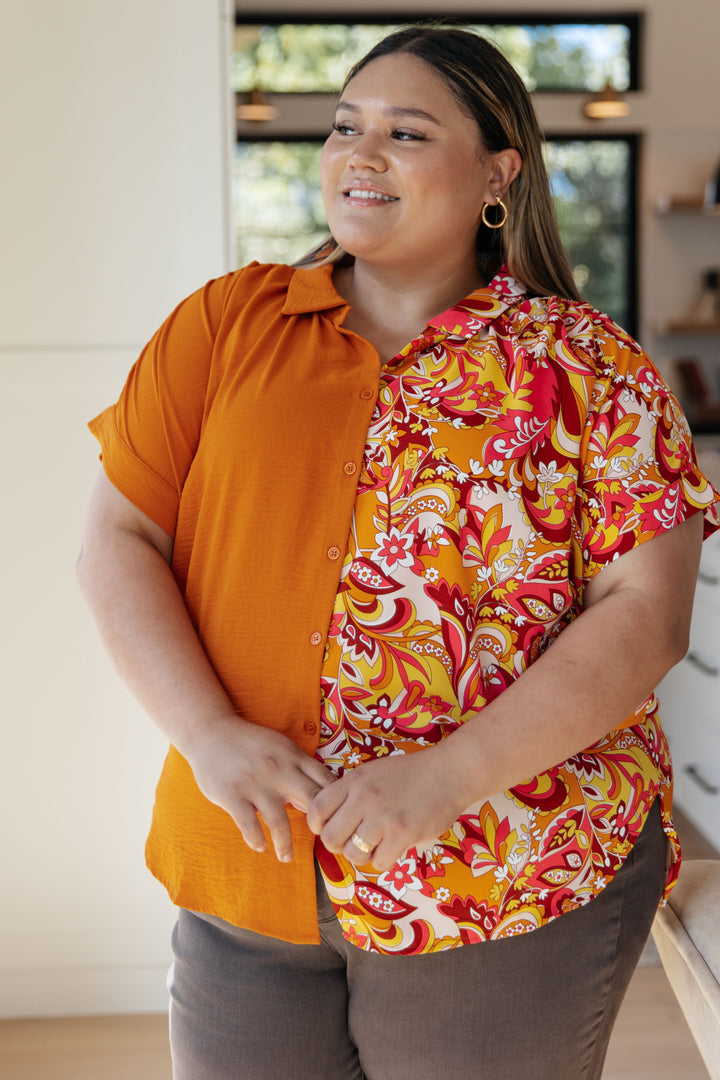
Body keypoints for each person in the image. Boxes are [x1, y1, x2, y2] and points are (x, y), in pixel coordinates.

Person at [77, 25, 719, 1080]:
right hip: (251, 867)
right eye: (344, 125)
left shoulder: (593, 369)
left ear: (497, 173)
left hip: (505, 876)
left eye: (406, 131)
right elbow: (117, 537)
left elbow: (645, 615)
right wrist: (206, 733)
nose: (358, 154)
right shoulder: (227, 326)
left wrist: (449, 779)